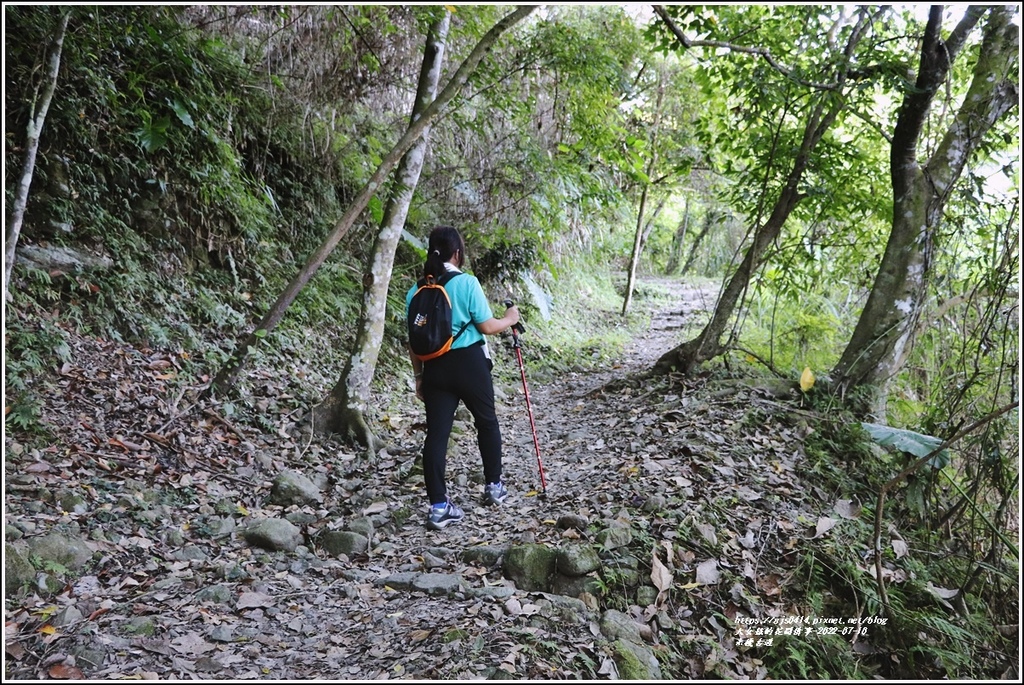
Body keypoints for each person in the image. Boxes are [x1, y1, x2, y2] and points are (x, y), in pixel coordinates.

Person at [406, 225, 520, 531]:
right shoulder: (467, 283)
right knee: (486, 421)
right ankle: (494, 488)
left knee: (437, 435)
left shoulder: (415, 290)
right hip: (469, 363)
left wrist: (419, 378)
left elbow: (413, 341)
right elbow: (486, 326)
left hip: (434, 369)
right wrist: (510, 319)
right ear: (457, 253)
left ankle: (439, 506)